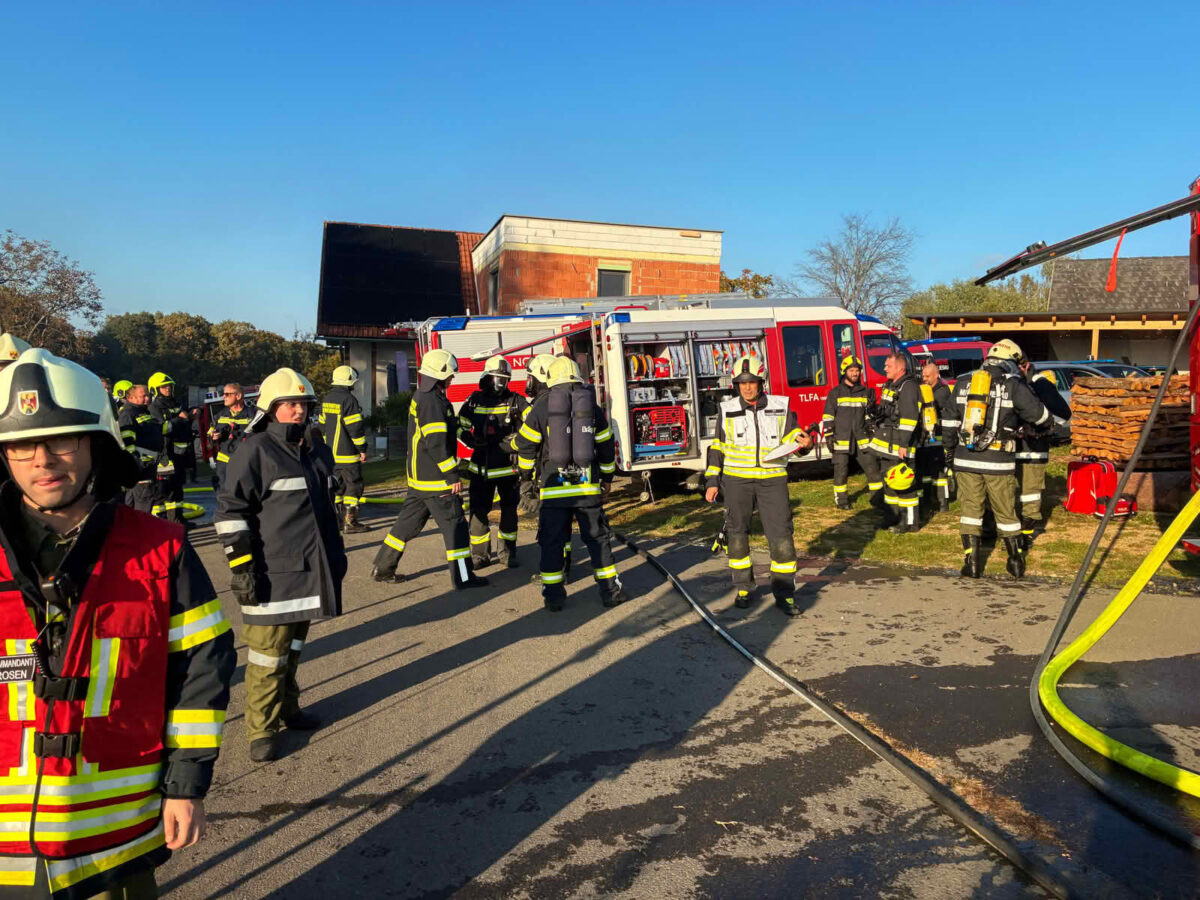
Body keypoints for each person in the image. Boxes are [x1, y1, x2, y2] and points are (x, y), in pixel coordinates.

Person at [0, 348, 234, 896]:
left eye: (62, 439)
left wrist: (187, 785)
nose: (43, 460)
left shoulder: (161, 549)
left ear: (96, 445)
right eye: (20, 444)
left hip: (116, 839)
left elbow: (202, 672)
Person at [215, 367, 346, 762]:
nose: (298, 411)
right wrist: (242, 569)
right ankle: (261, 729)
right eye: (290, 404)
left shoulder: (311, 449)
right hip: (271, 575)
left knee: (292, 649)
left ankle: (289, 709)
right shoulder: (255, 450)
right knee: (267, 656)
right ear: (271, 408)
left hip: (309, 570)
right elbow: (230, 513)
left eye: (304, 404)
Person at [513, 356, 625, 611]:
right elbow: (606, 445)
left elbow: (526, 446)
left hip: (554, 488)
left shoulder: (542, 405)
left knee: (552, 541)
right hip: (586, 488)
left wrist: (527, 480)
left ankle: (554, 597)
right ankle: (610, 592)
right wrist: (606, 480)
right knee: (597, 539)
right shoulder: (591, 405)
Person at [370, 349, 488, 588]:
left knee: (405, 526)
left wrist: (466, 436)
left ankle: (383, 568)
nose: (452, 379)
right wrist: (451, 475)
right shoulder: (432, 402)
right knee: (456, 527)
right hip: (436, 481)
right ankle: (464, 578)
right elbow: (435, 443)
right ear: (440, 374)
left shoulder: (425, 397)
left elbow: (443, 430)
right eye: (450, 375)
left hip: (419, 479)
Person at [704, 355, 812, 616]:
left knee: (782, 538)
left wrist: (804, 446)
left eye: (751, 382)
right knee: (737, 535)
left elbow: (794, 440)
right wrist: (712, 481)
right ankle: (744, 588)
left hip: (772, 481)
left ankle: (785, 594)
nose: (747, 388)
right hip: (737, 481)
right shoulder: (726, 408)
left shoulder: (781, 406)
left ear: (761, 381)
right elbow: (717, 447)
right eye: (742, 383)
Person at [953, 339, 1050, 578]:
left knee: (970, 512)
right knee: (1006, 513)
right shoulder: (1013, 385)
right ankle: (1015, 562)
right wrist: (1045, 426)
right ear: (1011, 362)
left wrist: (948, 452)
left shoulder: (964, 382)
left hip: (965, 459)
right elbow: (1039, 416)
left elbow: (948, 422)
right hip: (998, 461)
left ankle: (972, 564)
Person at [460, 356, 528, 568]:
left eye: (505, 380)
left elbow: (534, 422)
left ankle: (507, 554)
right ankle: (480, 555)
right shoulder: (474, 399)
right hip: (480, 467)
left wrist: (517, 441)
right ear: (487, 378)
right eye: (497, 379)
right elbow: (460, 423)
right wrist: (467, 437)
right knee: (478, 511)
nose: (501, 384)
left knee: (509, 512)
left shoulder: (516, 400)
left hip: (508, 468)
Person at [1016, 360, 1071, 550]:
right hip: (1008, 451)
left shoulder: (1040, 383)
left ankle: (1026, 536)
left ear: (1026, 365)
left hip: (1033, 450)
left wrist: (1041, 426)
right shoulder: (1010, 383)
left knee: (1030, 495)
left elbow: (1063, 414)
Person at [869, 352, 922, 530]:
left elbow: (909, 419)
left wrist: (904, 445)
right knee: (889, 481)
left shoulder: (908, 387)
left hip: (901, 445)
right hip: (888, 444)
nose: (884, 368)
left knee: (904, 482)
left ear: (900, 368)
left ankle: (910, 522)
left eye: (888, 366)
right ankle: (892, 516)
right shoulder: (891, 385)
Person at [821, 355, 880, 510]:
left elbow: (869, 416)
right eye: (851, 370)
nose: (855, 373)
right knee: (841, 469)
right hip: (841, 438)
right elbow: (828, 416)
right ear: (844, 372)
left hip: (862, 438)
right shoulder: (836, 393)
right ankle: (841, 500)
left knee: (872, 468)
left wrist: (873, 414)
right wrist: (829, 435)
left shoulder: (865, 392)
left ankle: (877, 499)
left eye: (857, 370)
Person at [318, 366, 369, 534]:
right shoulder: (349, 400)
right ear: (349, 381)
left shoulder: (326, 399)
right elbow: (355, 429)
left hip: (331, 455)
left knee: (337, 488)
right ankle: (350, 522)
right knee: (354, 487)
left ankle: (338, 521)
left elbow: (322, 426)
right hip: (348, 455)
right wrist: (362, 449)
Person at [119, 383, 171, 515]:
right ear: (131, 398)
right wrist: (136, 462)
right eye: (143, 396)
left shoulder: (143, 412)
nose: (147, 398)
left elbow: (156, 431)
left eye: (148, 395)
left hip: (149, 464)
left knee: (138, 502)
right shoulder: (128, 414)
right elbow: (127, 442)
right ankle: (140, 533)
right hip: (141, 467)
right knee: (143, 504)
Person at [915, 362, 960, 514]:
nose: (925, 379)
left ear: (936, 375)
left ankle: (942, 502)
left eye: (928, 376)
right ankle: (928, 499)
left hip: (939, 436)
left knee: (939, 471)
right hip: (927, 436)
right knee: (926, 471)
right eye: (923, 376)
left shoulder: (942, 392)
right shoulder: (927, 390)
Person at [147, 372, 189, 523]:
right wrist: (180, 419)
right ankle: (161, 521)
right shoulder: (154, 407)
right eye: (163, 387)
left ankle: (177, 520)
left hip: (178, 454)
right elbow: (162, 428)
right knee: (164, 490)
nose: (167, 389)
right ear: (155, 390)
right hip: (165, 454)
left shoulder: (176, 403)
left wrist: (191, 416)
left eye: (169, 386)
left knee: (177, 488)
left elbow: (183, 422)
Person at [210, 383, 257, 491]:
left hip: (244, 461)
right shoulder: (220, 415)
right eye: (223, 394)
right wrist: (214, 436)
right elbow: (210, 434)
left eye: (227, 394)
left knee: (245, 491)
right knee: (223, 491)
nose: (224, 397)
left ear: (238, 396)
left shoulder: (252, 415)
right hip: (224, 462)